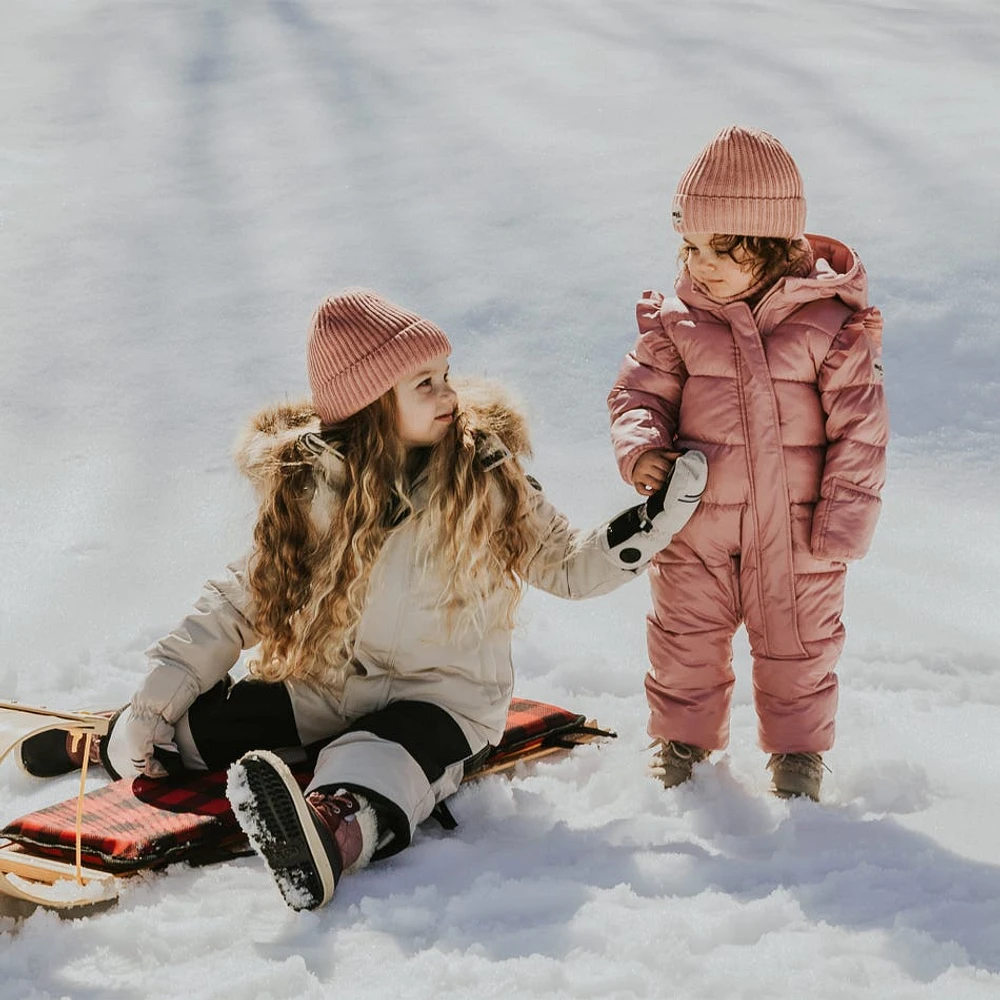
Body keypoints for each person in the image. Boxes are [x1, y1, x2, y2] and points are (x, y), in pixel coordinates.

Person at [21, 288, 707, 911]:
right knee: (206, 729)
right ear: (373, 403)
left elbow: (568, 566)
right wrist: (152, 706)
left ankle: (328, 834)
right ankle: (116, 743)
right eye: (425, 383)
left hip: (444, 697)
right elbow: (238, 603)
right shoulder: (314, 491)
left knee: (382, 761)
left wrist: (656, 519)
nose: (449, 394)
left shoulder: (485, 478)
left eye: (445, 375)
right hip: (328, 688)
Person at [608, 126, 888, 802]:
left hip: (797, 534)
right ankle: (682, 743)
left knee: (800, 650)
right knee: (684, 640)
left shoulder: (829, 325)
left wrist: (842, 524)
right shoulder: (678, 322)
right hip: (695, 522)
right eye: (691, 247)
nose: (699, 264)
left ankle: (798, 757)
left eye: (720, 249)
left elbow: (862, 430)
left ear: (768, 245)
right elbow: (637, 392)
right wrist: (643, 448)